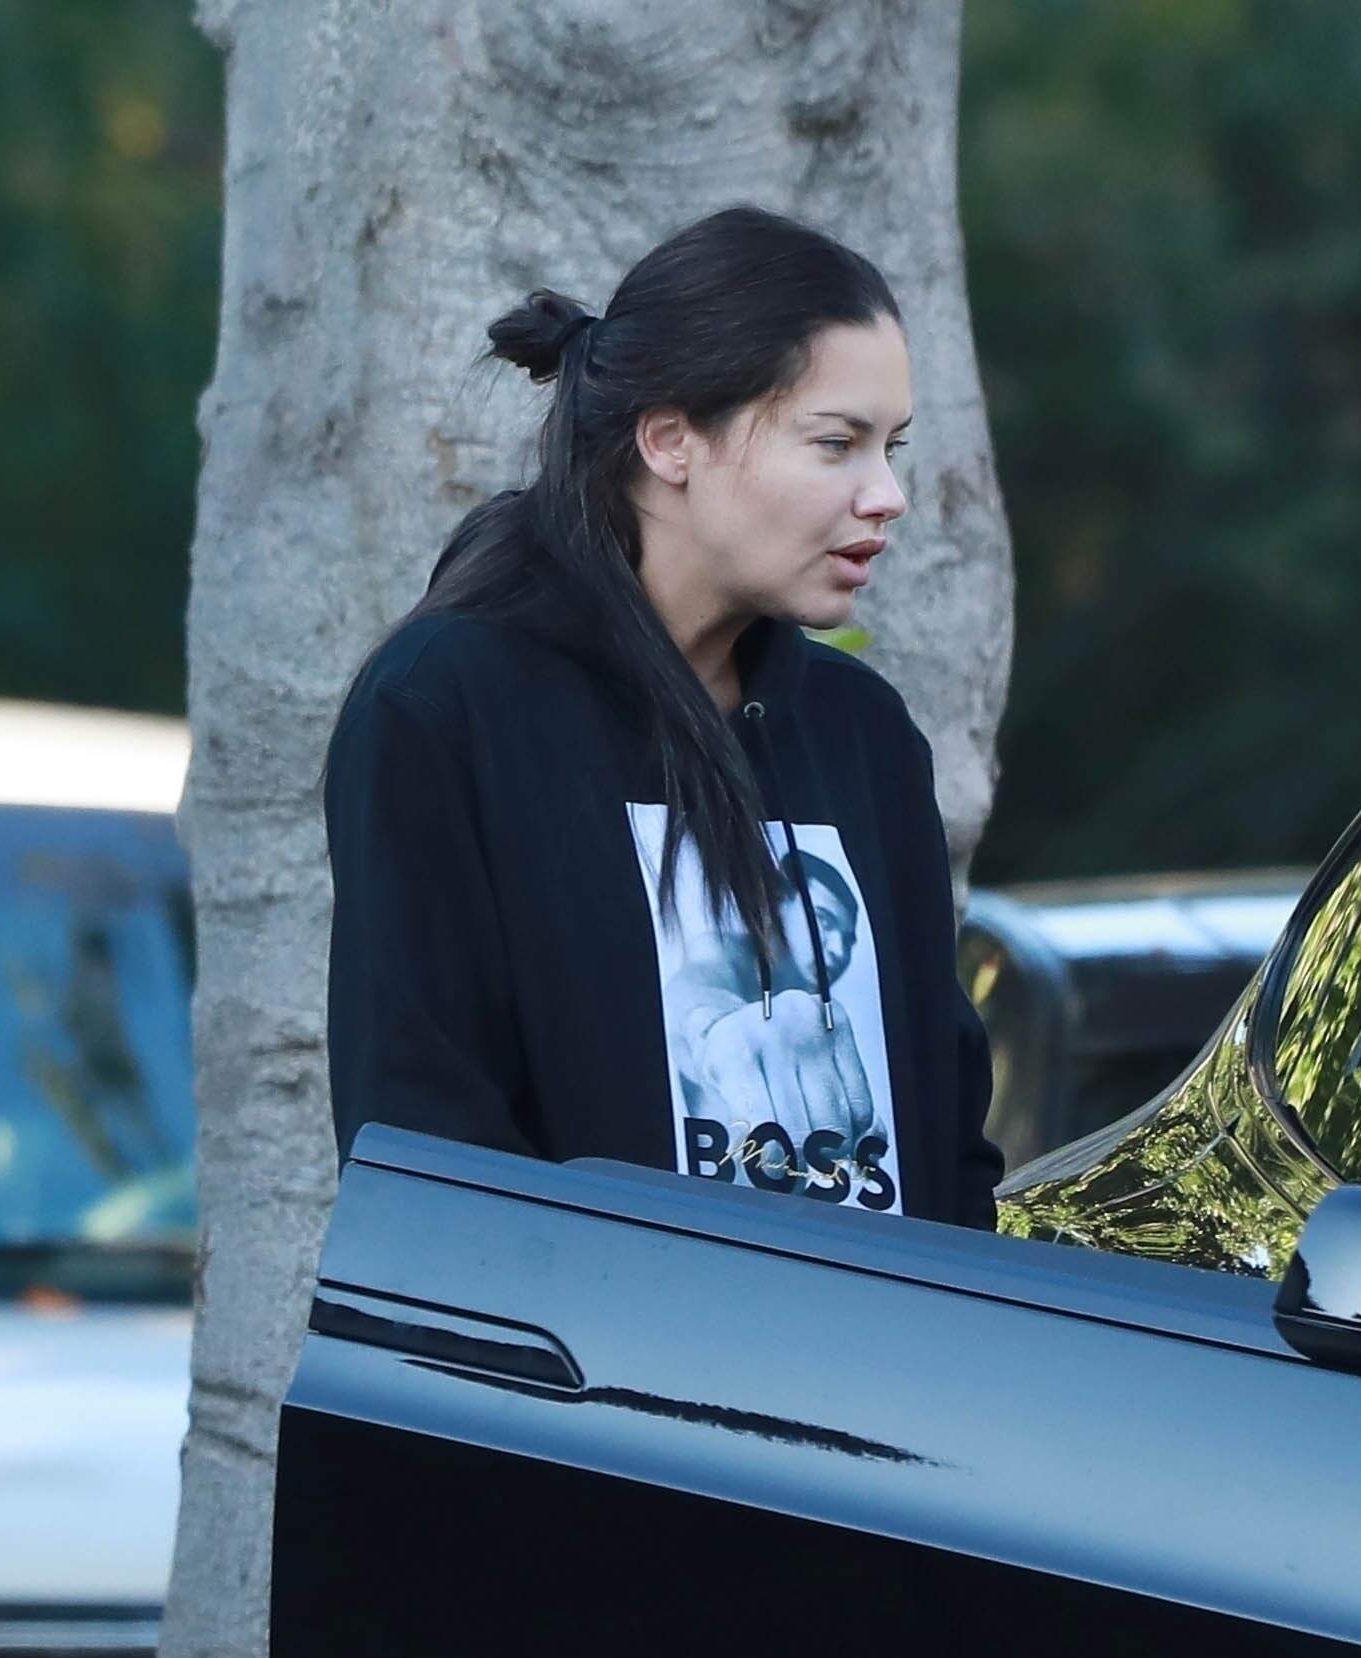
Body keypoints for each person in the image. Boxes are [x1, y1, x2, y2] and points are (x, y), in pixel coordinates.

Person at [324, 205, 1002, 1226]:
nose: (888, 494)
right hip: (565, 1334)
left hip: (876, 1335)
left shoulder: (865, 737)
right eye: (837, 444)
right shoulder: (448, 706)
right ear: (671, 439)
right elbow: (429, 1155)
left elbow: (948, 1157)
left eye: (892, 447)